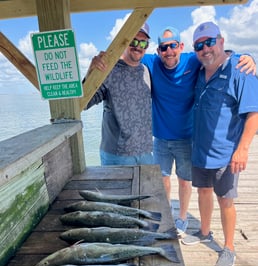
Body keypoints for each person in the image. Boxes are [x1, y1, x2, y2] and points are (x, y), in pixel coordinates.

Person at [142, 26, 256, 236]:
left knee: (185, 181)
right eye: (163, 47)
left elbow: (222, 55)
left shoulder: (192, 60)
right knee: (163, 180)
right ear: (158, 51)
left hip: (187, 137)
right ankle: (169, 216)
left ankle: (183, 218)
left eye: (173, 45)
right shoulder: (152, 62)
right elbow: (128, 57)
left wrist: (247, 57)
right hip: (160, 138)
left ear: (181, 46)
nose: (169, 51)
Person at [181, 21, 258, 266]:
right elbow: (168, 56)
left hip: (226, 155)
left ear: (221, 41)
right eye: (199, 45)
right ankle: (205, 232)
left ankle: (229, 247)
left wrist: (243, 148)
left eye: (210, 42)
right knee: (203, 192)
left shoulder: (240, 70)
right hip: (200, 151)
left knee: (226, 200)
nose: (205, 49)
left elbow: (253, 113)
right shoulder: (199, 70)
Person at [83, 23, 153, 166]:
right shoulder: (107, 71)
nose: (138, 46)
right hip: (116, 156)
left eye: (143, 42)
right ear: (125, 42)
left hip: (146, 153)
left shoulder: (146, 71)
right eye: (133, 41)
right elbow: (84, 103)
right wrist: (90, 74)